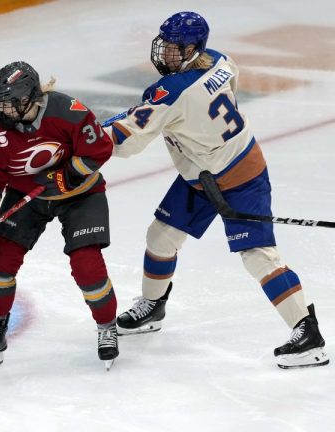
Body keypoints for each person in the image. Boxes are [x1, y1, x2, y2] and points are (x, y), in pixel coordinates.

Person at [103, 11, 327, 369]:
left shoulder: (172, 92)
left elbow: (126, 143)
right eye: (165, 45)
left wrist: (85, 134)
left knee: (258, 256)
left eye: (175, 48)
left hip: (239, 178)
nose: (165, 54)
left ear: (193, 48)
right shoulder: (221, 61)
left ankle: (308, 334)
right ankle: (153, 307)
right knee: (160, 237)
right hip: (202, 172)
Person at [0, 61, 119, 370]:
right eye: (0, 101)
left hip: (81, 194)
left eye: (10, 101)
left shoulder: (67, 111)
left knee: (86, 265)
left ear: (30, 97)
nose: (2, 108)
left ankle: (107, 327)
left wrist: (65, 176)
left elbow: (99, 149)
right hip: (28, 195)